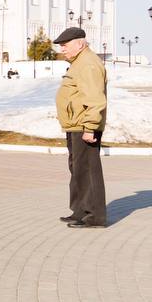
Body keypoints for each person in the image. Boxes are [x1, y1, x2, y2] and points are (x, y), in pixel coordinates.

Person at [53, 26, 108, 227]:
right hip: (75, 125)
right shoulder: (79, 63)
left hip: (84, 126)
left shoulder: (88, 64)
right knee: (77, 170)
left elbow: (94, 98)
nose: (62, 50)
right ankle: (80, 210)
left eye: (65, 45)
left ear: (80, 43)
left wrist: (90, 127)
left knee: (87, 171)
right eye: (61, 46)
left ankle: (95, 216)